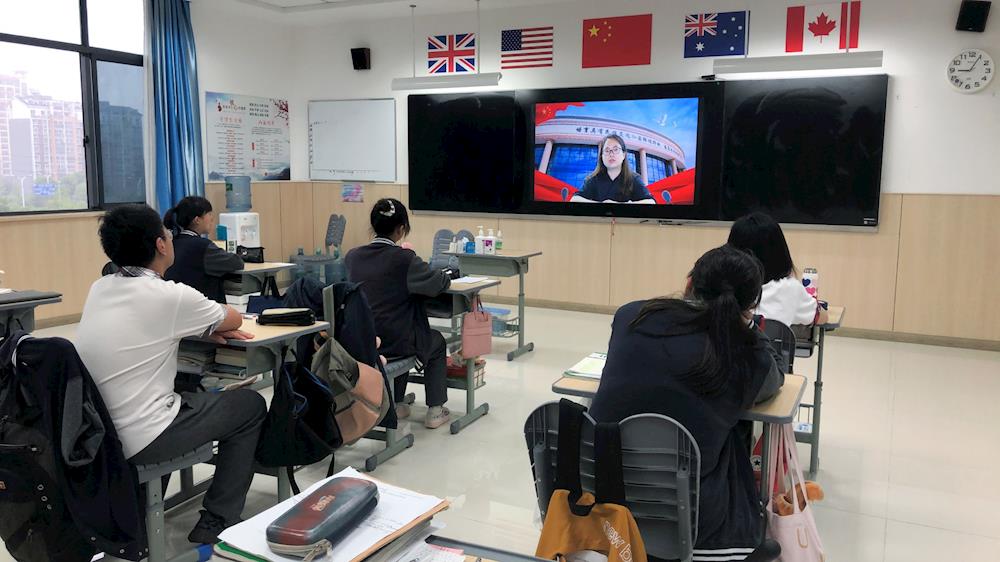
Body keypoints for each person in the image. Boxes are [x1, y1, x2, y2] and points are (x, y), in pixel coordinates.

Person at [75, 204, 265, 545]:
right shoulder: (169, 296)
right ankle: (218, 518)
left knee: (185, 389)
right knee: (249, 406)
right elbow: (234, 318)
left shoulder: (99, 288)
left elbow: (143, 327)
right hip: (143, 437)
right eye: (166, 233)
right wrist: (206, 324)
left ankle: (138, 515)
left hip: (97, 434)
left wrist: (196, 327)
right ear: (161, 244)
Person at [589, 245, 784, 561]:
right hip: (690, 514)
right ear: (749, 305)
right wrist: (748, 326)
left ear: (690, 282)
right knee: (734, 435)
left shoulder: (631, 315)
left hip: (600, 491)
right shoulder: (747, 355)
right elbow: (773, 380)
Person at [344, 198, 453, 429]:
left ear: (373, 226)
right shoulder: (404, 259)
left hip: (364, 341)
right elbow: (437, 283)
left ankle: (397, 401)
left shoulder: (353, 256)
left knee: (399, 327)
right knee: (434, 341)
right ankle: (435, 409)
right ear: (401, 229)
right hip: (395, 342)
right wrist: (446, 275)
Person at [726, 212, 829, 327]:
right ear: (779, 252)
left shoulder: (720, 286)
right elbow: (821, 317)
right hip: (770, 339)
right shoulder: (790, 288)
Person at [163, 196, 244, 303]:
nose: (212, 219)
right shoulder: (203, 247)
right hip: (205, 305)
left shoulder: (172, 243)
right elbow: (237, 262)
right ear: (197, 220)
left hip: (178, 304)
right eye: (209, 214)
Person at [570, 134, 655, 204]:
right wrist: (601, 204)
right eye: (607, 150)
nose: (611, 154)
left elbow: (651, 202)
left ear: (624, 155)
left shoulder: (634, 178)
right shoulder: (593, 179)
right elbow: (574, 199)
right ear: (601, 157)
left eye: (616, 149)